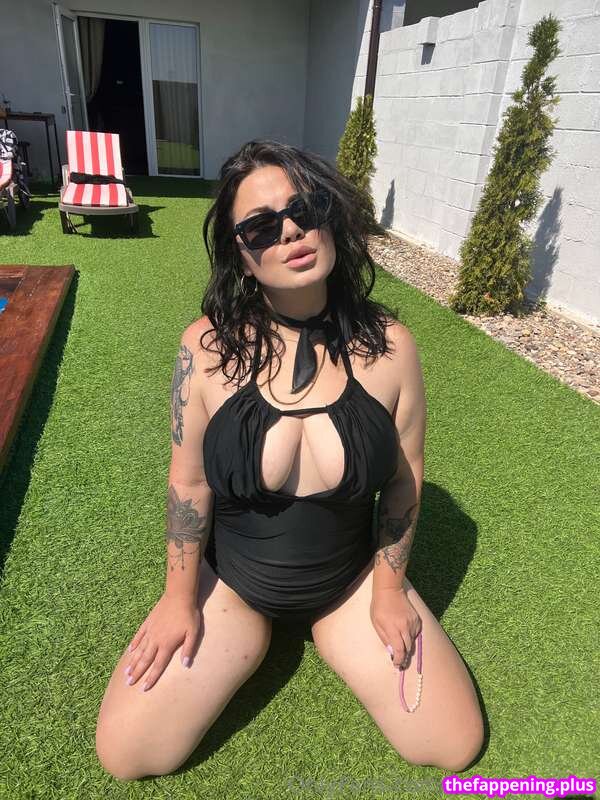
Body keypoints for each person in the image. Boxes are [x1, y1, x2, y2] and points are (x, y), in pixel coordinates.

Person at [95, 140, 484, 780]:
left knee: (453, 743)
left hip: (348, 585)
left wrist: (389, 590)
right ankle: (250, 633)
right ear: (242, 256)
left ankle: (333, 627)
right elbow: (189, 482)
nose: (290, 231)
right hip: (235, 587)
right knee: (128, 753)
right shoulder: (206, 349)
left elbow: (404, 480)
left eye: (305, 209)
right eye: (261, 227)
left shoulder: (391, 349)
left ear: (330, 217)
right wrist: (178, 597)